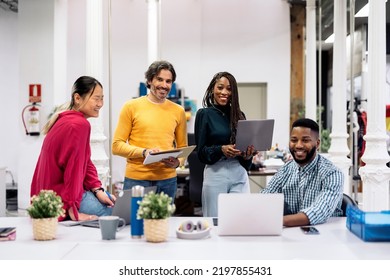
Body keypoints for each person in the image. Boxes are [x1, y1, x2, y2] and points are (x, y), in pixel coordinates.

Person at [31, 76, 115, 222]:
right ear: (77, 98)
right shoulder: (78, 125)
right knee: (112, 214)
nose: (100, 104)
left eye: (102, 99)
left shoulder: (65, 119)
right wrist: (73, 210)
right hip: (60, 198)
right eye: (96, 98)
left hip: (47, 197)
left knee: (109, 200)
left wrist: (98, 189)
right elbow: (73, 170)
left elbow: (85, 162)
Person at [112, 60, 187, 200]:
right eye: (159, 79)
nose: (164, 85)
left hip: (167, 181)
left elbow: (183, 147)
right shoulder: (131, 107)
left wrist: (179, 162)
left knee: (163, 222)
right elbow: (116, 146)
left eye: (168, 81)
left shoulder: (179, 111)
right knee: (134, 222)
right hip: (137, 180)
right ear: (150, 80)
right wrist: (144, 152)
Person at [261, 118, 344, 227]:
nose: (298, 145)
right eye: (294, 140)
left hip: (326, 235)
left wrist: (276, 221)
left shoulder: (332, 173)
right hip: (292, 234)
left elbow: (319, 211)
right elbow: (264, 199)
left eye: (305, 140)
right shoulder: (285, 170)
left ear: (317, 143)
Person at [194, 71, 255, 217]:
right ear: (212, 89)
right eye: (220, 87)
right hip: (216, 173)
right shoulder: (204, 114)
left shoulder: (239, 115)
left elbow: (246, 163)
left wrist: (248, 155)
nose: (224, 92)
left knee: (240, 221)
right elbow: (201, 153)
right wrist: (221, 149)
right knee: (214, 222)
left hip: (239, 173)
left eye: (229, 89)